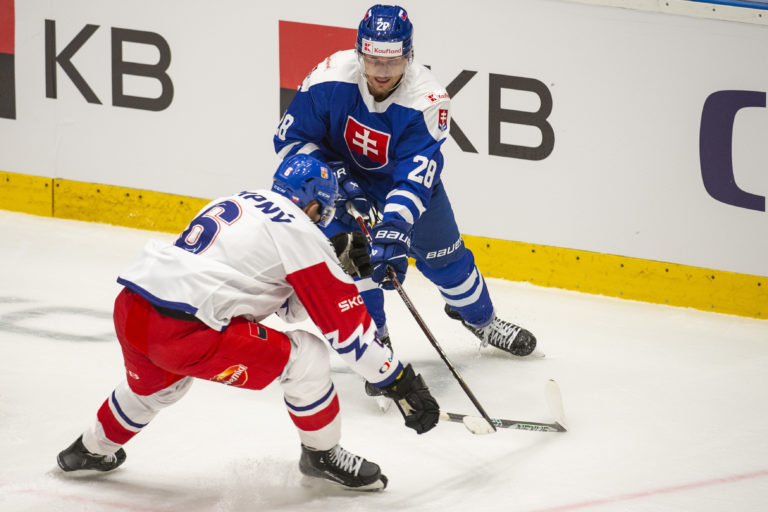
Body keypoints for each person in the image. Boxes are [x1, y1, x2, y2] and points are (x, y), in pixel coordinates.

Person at [56, 154, 440, 492]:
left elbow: (277, 302)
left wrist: (332, 269)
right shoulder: (300, 231)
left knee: (157, 389)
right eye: (322, 212)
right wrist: (399, 382)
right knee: (307, 357)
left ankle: (88, 450)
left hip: (133, 306)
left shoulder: (241, 200)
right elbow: (349, 333)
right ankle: (321, 454)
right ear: (312, 206)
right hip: (183, 331)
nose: (322, 221)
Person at [273, 4, 537, 364]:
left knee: (449, 264)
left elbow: (414, 177)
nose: (381, 72)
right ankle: (376, 351)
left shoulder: (428, 100)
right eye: (373, 60)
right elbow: (291, 141)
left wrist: (394, 228)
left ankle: (482, 322)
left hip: (402, 186)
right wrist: (334, 175)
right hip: (336, 187)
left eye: (393, 62)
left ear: (409, 57)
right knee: (356, 265)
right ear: (359, 52)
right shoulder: (328, 77)